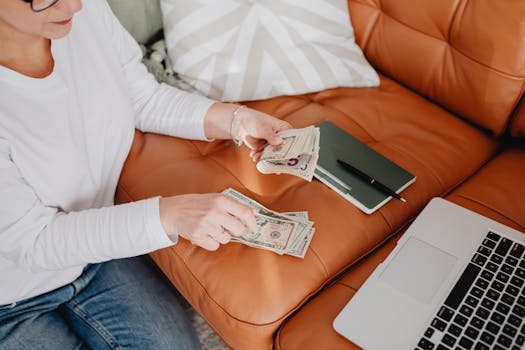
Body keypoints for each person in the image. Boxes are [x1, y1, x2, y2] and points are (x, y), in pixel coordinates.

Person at [0, 0, 292, 349]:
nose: (75, 5)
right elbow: (33, 242)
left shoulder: (84, 11)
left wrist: (236, 120)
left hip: (95, 255)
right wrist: (169, 215)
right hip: (10, 297)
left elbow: (143, 98)